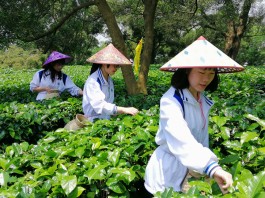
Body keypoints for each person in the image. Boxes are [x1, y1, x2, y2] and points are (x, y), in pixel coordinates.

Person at [144, 36, 245, 195]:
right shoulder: (171, 101)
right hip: (167, 175)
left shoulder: (202, 98)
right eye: (201, 72)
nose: (206, 78)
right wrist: (212, 167)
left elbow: (200, 138)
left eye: (211, 73)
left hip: (193, 170)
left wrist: (204, 168)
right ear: (186, 70)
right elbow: (181, 138)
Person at [82, 43, 139, 122]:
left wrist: (119, 112)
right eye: (114, 65)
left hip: (105, 121)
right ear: (105, 64)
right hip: (92, 122)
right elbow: (100, 105)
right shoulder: (93, 81)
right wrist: (124, 109)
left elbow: (108, 104)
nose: (116, 68)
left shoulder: (109, 80)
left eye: (117, 66)